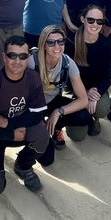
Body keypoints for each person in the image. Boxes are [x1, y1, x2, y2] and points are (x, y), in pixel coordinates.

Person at [0, 36, 49, 195]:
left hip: (13, 130)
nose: (17, 61)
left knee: (42, 134)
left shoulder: (32, 77)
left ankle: (23, 165)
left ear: (28, 57)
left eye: (22, 56)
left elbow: (37, 114)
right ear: (4, 57)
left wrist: (8, 124)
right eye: (12, 55)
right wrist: (8, 134)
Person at [27, 25, 90, 154]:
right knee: (47, 155)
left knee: (84, 116)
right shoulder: (32, 62)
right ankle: (37, 132)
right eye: (51, 42)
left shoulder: (68, 63)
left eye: (61, 41)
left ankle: (56, 126)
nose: (57, 46)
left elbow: (84, 100)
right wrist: (39, 121)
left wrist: (58, 112)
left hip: (51, 102)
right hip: (32, 106)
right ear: (43, 45)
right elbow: (22, 95)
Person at [65, 5, 111, 138]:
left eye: (100, 21)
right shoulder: (70, 41)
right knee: (77, 136)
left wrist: (96, 92)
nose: (95, 24)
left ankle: (95, 118)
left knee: (102, 107)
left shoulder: (106, 43)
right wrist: (83, 94)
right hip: (74, 90)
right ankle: (82, 115)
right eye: (91, 20)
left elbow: (107, 76)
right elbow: (64, 76)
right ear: (82, 19)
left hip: (95, 90)